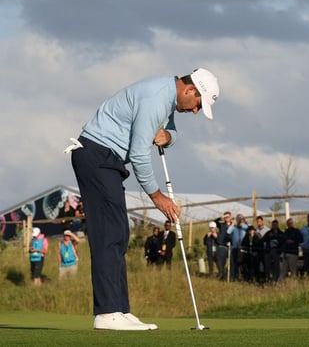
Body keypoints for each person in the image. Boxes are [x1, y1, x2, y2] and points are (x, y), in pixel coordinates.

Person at [67, 67, 219, 330]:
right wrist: (157, 197)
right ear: (190, 90)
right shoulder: (156, 98)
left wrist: (168, 136)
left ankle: (119, 309)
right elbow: (139, 154)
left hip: (106, 159)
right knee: (109, 233)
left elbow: (169, 133)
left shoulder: (168, 98)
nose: (195, 111)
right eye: (197, 104)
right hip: (97, 156)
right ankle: (107, 313)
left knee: (118, 233)